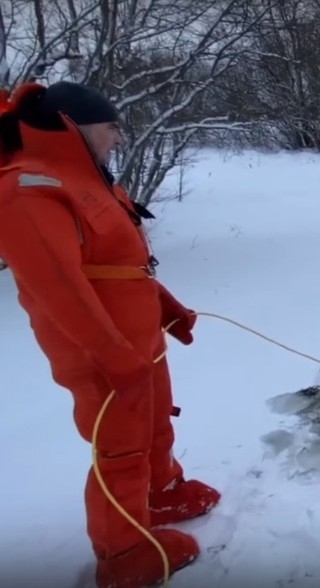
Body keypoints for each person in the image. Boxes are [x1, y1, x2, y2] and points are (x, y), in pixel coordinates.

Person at [0, 81, 220, 588]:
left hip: (138, 338)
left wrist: (165, 305)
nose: (118, 138)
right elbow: (58, 288)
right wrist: (112, 355)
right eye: (110, 128)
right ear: (73, 128)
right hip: (99, 351)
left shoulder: (86, 178)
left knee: (155, 421)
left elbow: (119, 261)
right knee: (121, 443)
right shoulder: (26, 189)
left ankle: (160, 492)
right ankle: (123, 553)